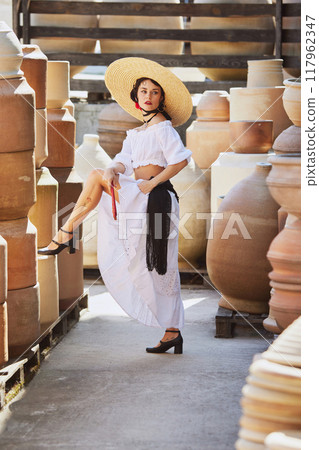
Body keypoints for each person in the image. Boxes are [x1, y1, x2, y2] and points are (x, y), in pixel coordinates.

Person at [38, 57, 193, 354]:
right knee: (100, 178)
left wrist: (153, 181)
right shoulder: (136, 133)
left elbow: (181, 159)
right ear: (136, 98)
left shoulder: (163, 127)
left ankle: (66, 233)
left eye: (154, 92)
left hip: (156, 197)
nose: (148, 96)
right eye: (144, 91)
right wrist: (113, 169)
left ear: (161, 99)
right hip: (141, 194)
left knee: (163, 265)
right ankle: (172, 332)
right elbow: (123, 161)